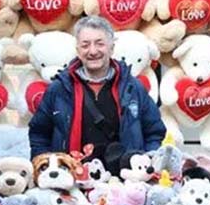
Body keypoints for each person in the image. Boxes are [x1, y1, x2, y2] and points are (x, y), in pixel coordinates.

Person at [28, 16, 166, 165]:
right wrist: (46, 167)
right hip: (72, 177)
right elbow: (39, 133)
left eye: (100, 44)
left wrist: (145, 164)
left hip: (123, 181)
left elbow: (154, 132)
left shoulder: (132, 87)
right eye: (85, 45)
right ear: (78, 51)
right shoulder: (59, 89)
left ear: (112, 47)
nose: (92, 51)